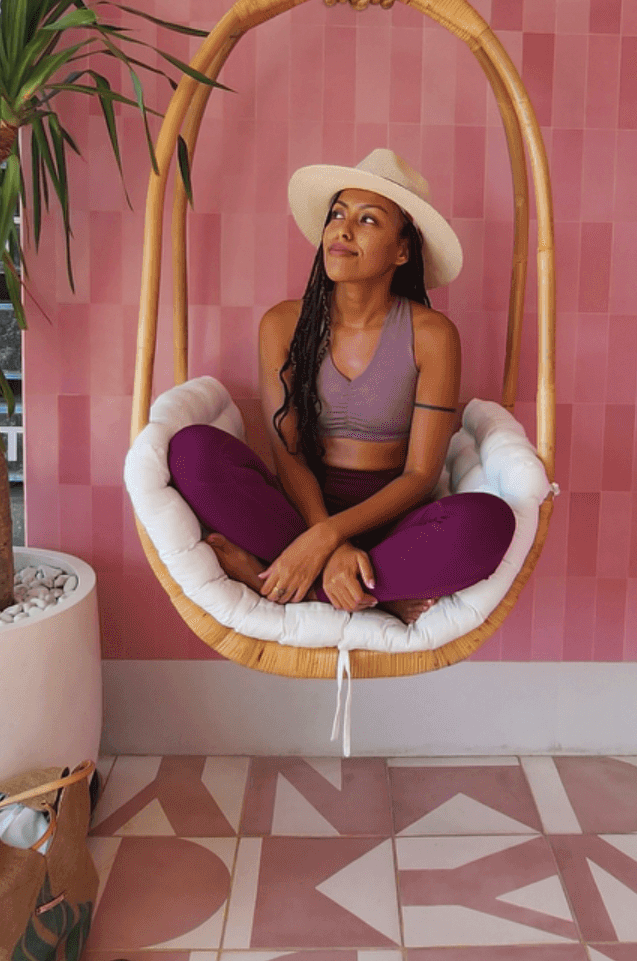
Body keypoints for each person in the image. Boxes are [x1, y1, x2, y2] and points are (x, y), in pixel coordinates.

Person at [167, 148, 516, 624]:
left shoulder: (433, 335)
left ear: (402, 250)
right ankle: (373, 594)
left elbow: (420, 476)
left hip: (392, 526)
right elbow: (287, 453)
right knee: (192, 450)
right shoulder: (283, 324)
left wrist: (329, 538)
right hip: (297, 513)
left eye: (368, 219)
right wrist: (321, 537)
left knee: (489, 524)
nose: (343, 230)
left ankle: (288, 582)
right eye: (337, 214)